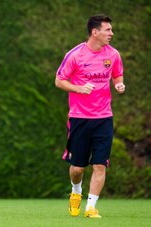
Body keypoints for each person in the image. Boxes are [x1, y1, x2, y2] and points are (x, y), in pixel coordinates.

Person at [55, 14, 125, 218]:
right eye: (108, 29)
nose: (111, 33)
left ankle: (91, 207)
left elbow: (117, 74)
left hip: (104, 117)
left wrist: (118, 83)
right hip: (79, 118)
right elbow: (59, 81)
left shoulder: (113, 54)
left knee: (100, 164)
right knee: (78, 168)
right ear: (95, 32)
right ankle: (76, 192)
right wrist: (78, 88)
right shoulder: (75, 55)